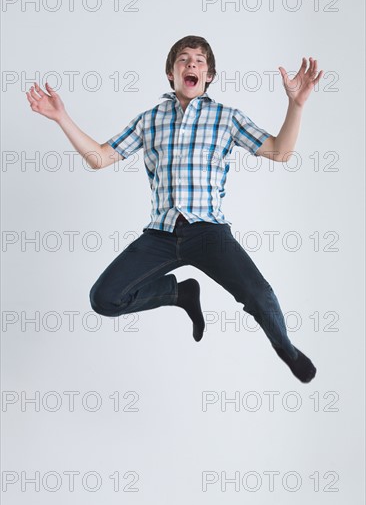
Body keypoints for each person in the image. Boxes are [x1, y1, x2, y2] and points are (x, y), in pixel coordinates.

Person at [26, 35, 323, 383]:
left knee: (258, 294)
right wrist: (62, 117)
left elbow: (280, 152)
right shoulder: (150, 120)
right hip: (161, 235)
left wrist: (296, 105)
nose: (192, 65)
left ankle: (285, 348)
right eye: (184, 60)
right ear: (171, 73)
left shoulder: (226, 118)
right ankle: (180, 292)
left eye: (199, 61)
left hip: (209, 232)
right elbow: (99, 158)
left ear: (209, 75)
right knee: (104, 298)